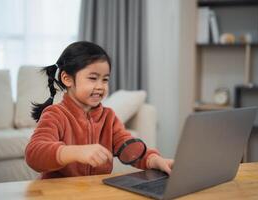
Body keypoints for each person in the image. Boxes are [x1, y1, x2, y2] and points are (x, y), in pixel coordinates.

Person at [25, 41, 173, 179]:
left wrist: (154, 160)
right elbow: (34, 153)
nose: (100, 86)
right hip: (59, 194)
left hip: (94, 192)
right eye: (93, 78)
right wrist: (74, 152)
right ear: (67, 79)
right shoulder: (55, 114)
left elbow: (128, 147)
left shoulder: (108, 117)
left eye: (105, 79)